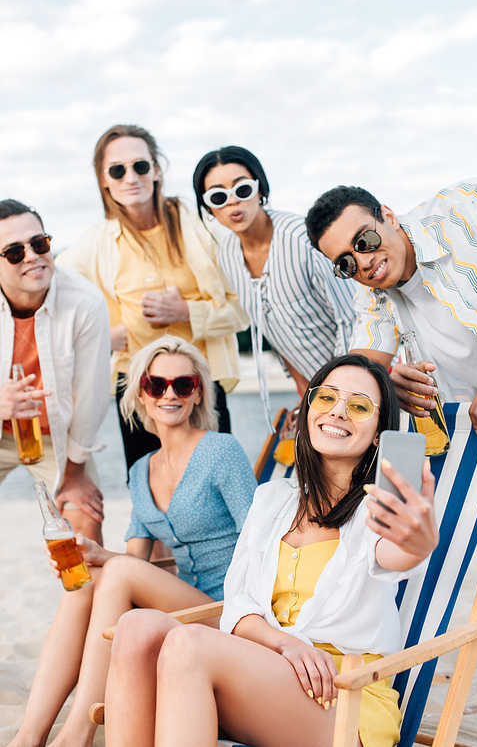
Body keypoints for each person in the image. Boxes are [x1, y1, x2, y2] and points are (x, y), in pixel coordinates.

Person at [103, 354, 438, 747]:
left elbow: (397, 554)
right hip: (271, 669)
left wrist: (420, 541)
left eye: (360, 406)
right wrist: (284, 643)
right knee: (136, 627)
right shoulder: (273, 499)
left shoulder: (374, 511)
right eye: (326, 398)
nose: (339, 412)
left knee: (187, 643)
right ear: (309, 407)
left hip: (344, 694)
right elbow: (239, 604)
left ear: (379, 434)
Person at [7, 335, 256, 747]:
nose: (169, 394)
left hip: (230, 612)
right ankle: (30, 734)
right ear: (141, 395)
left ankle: (78, 733)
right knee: (91, 578)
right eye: (156, 385)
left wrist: (114, 563)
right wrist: (96, 556)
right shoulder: (140, 471)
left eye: (183, 384)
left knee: (114, 572)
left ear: (198, 395)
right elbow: (134, 562)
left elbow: (260, 542)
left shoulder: (221, 451)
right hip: (186, 606)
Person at [57, 124, 249, 471]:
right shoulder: (95, 242)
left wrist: (187, 311)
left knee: (216, 482)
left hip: (199, 386)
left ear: (156, 169)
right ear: (104, 181)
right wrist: (101, 332)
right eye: (117, 170)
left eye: (140, 166)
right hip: (137, 390)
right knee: (147, 488)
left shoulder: (201, 226)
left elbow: (245, 307)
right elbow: (46, 287)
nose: (130, 177)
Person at [305, 179, 477, 440]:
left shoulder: (472, 209)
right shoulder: (371, 293)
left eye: (365, 240)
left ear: (388, 216)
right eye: (346, 262)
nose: (363, 262)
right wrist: (384, 385)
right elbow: (356, 377)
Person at [193, 146, 357, 431]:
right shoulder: (227, 254)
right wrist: (306, 394)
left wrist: (335, 397)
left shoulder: (304, 241)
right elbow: (273, 331)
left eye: (242, 189)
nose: (233, 202)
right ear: (209, 208)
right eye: (218, 196)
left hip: (358, 388)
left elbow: (353, 320)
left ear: (260, 189)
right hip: (314, 396)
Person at [0, 199, 110, 543]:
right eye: (14, 252)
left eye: (39, 243)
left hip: (56, 439)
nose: (32, 255)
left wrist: (75, 471)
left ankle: (89, 598)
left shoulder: (86, 303)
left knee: (85, 526)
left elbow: (90, 400)